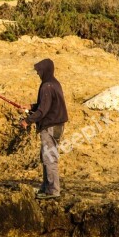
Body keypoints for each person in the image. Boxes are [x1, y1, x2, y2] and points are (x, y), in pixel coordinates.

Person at [20, 59, 69, 200]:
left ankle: (53, 190)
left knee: (49, 158)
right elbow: (45, 105)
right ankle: (47, 187)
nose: (38, 73)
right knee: (47, 156)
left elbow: (43, 111)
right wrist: (30, 107)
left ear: (45, 70)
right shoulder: (54, 83)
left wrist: (27, 121)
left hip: (51, 127)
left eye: (39, 71)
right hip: (56, 125)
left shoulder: (47, 86)